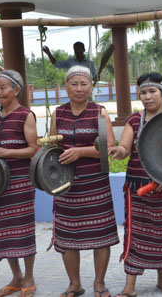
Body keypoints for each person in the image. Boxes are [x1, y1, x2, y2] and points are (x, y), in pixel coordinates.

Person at [49, 65, 118, 297]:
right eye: (74, 84)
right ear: (66, 87)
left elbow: (108, 146)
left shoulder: (100, 112)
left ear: (91, 87)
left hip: (95, 183)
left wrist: (80, 151)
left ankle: (99, 283)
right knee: (67, 236)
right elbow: (52, 146)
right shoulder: (57, 113)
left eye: (84, 84)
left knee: (100, 235)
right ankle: (75, 284)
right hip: (65, 184)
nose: (79, 89)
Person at [108, 72, 162, 297]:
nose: (147, 97)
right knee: (135, 234)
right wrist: (117, 151)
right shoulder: (134, 120)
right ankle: (130, 287)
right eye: (143, 92)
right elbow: (125, 149)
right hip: (137, 186)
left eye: (152, 91)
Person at [0, 69, 38, 297]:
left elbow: (34, 149)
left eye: (3, 87)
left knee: (22, 230)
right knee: (3, 230)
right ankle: (16, 277)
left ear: (16, 90)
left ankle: (30, 276)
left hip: (21, 181)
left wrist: (5, 152)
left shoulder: (26, 115)